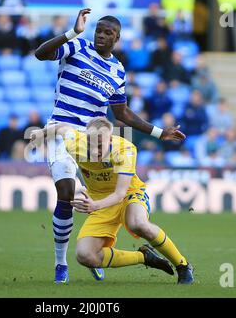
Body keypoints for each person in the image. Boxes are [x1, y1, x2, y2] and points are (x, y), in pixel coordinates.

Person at [34, 8, 186, 284]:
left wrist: (159, 132)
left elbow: (123, 114)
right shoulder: (78, 46)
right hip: (63, 131)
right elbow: (40, 54)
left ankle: (99, 248)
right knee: (67, 191)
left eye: (108, 33)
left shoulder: (117, 70)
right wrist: (72, 32)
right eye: (99, 31)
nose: (101, 36)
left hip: (95, 138)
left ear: (117, 39)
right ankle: (60, 264)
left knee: (106, 190)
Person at [30, 117, 193, 284]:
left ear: (111, 139)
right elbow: (62, 127)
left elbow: (120, 193)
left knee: (137, 223)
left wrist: (94, 205)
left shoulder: (125, 150)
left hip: (129, 194)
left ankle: (183, 265)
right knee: (85, 256)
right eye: (92, 144)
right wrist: (41, 133)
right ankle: (143, 257)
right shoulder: (74, 143)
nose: (96, 151)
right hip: (101, 203)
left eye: (101, 145)